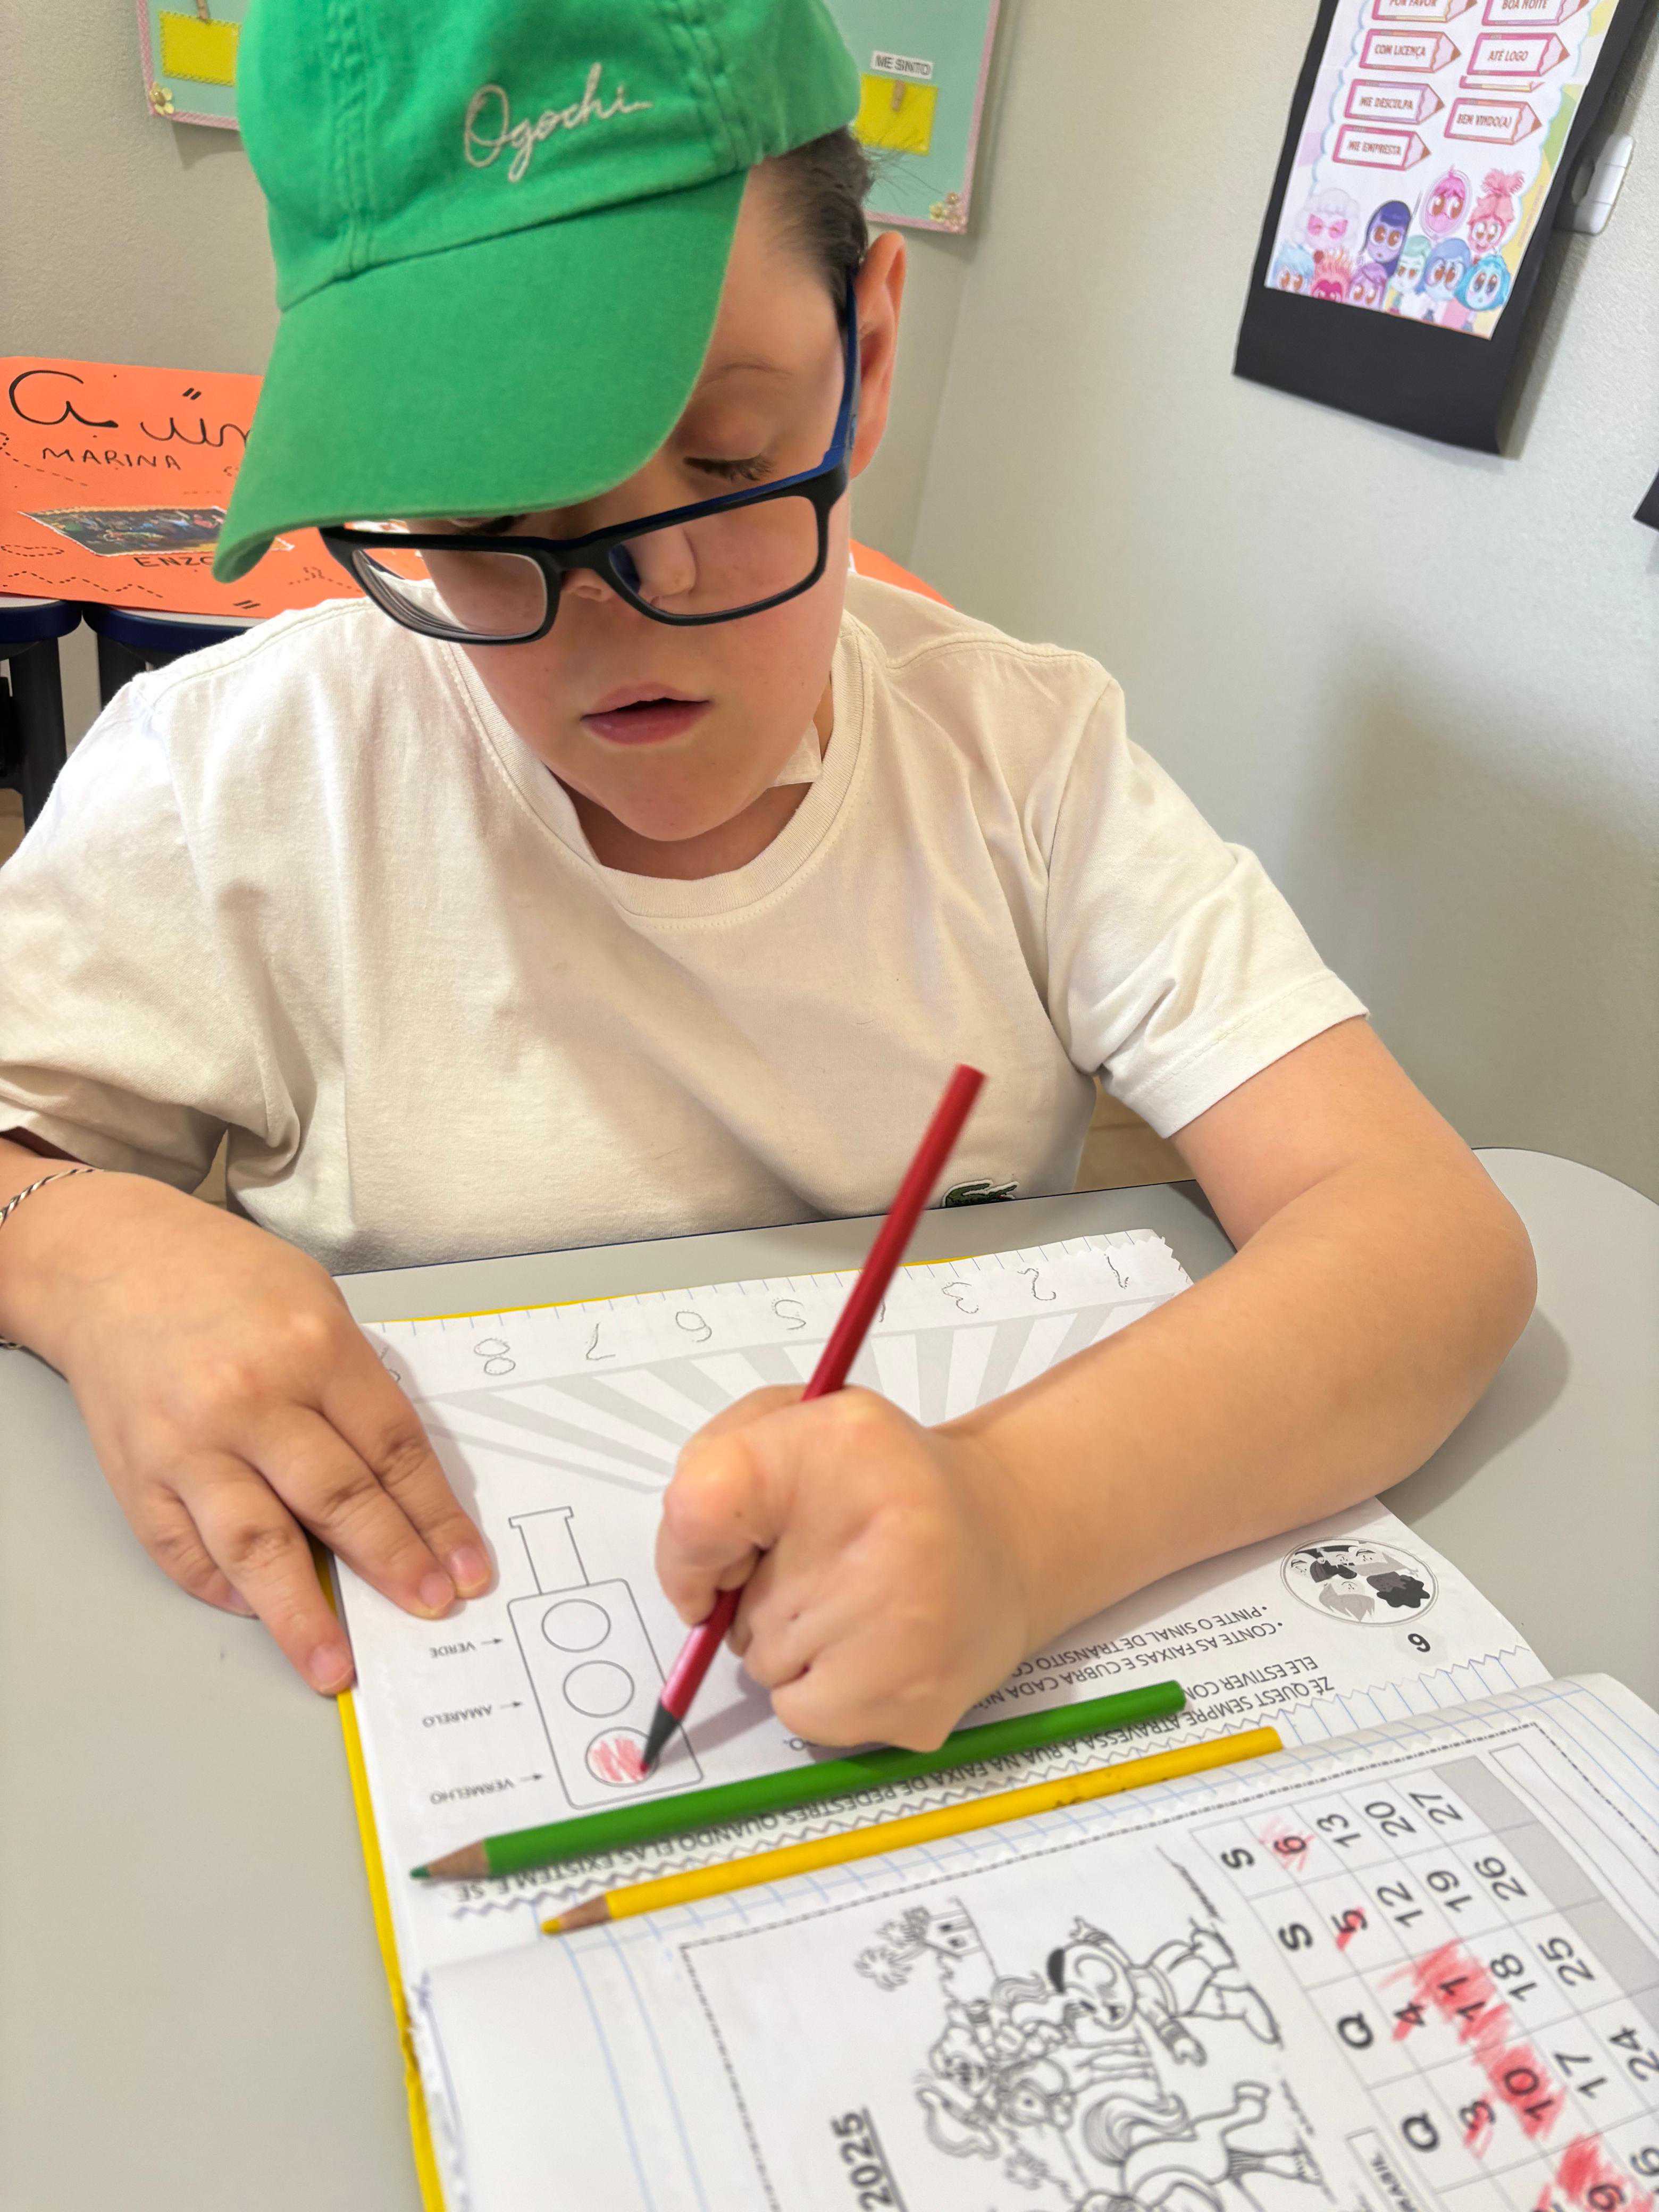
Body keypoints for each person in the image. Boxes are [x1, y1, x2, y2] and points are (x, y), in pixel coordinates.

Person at [0, 0, 1533, 1744]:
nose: (628, 603)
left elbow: (1428, 1239)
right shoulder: (238, 779)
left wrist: (1021, 1517)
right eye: (487, 520)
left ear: (867, 351)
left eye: (725, 462)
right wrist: (80, 1252)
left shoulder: (1025, 763)